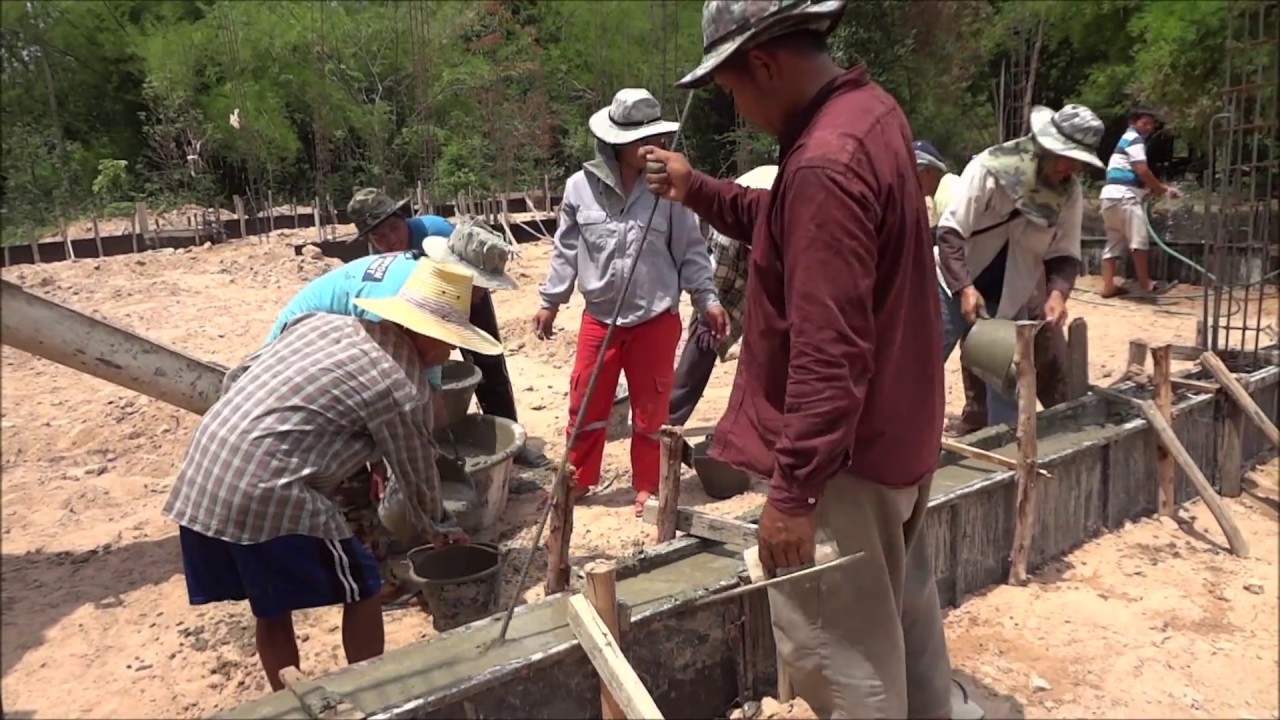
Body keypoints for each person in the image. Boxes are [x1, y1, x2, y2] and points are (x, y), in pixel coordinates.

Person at [643, 2, 975, 717]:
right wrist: (695, 187)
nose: (740, 105)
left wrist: (792, 494)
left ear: (763, 63)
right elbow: (786, 219)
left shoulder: (824, 159)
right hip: (895, 439)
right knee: (904, 630)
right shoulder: (869, 115)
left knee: (840, 659)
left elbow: (828, 351)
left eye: (733, 89)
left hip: (841, 469)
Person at [163, 261, 500, 692]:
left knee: (270, 604)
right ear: (428, 333)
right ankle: (371, 689)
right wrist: (440, 527)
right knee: (363, 585)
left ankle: (285, 700)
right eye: (450, 342)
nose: (450, 354)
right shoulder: (401, 385)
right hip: (269, 488)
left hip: (205, 469)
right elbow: (416, 471)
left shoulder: (323, 325)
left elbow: (239, 375)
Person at [532, 87, 728, 516]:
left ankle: (648, 484)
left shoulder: (669, 190)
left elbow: (692, 252)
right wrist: (550, 301)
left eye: (653, 137)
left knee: (651, 408)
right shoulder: (579, 189)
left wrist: (707, 298)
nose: (648, 146)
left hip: (655, 317)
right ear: (615, 141)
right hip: (600, 318)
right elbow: (565, 251)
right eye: (639, 139)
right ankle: (578, 478)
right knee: (584, 401)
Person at [346, 189, 550, 467]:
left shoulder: (437, 231)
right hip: (416, 303)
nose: (390, 241)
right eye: (378, 236)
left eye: (393, 228)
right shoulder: (376, 258)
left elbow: (472, 278)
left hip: (465, 295)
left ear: (403, 217)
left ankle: (511, 440)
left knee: (488, 363)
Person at [935, 104, 1103, 427]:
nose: (1070, 167)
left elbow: (1064, 254)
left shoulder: (1070, 194)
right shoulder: (989, 168)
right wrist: (964, 287)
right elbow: (950, 233)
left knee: (1008, 385)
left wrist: (1057, 295)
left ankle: (1007, 460)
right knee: (922, 369)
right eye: (1066, 157)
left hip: (1010, 299)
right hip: (951, 285)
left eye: (1078, 162)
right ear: (1046, 145)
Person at [915, 141, 1070, 436]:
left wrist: (1056, 293)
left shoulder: (950, 190)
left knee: (1000, 375)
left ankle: (1003, 444)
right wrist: (965, 288)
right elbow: (952, 239)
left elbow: (1058, 254)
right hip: (959, 285)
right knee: (928, 361)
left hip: (1000, 293)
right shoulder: (975, 185)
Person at [667, 165, 777, 437]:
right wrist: (707, 316)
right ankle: (669, 421)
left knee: (770, 355)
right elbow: (715, 279)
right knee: (701, 348)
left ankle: (762, 427)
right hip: (726, 283)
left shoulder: (789, 224)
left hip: (774, 278)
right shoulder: (729, 232)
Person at [1099, 105, 1181, 299]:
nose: (1149, 128)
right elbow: (1142, 170)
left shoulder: (1124, 141)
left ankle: (1108, 286)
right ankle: (1146, 284)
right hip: (1124, 197)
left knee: (1114, 241)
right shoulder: (1135, 140)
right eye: (1145, 123)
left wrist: (1154, 190)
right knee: (1139, 241)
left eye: (1151, 124)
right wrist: (1161, 189)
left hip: (1110, 196)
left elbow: (1129, 176)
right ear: (1133, 123)